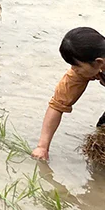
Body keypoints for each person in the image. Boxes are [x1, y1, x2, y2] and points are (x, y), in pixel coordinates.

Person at [32, 27, 105, 161]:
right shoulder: (88, 68)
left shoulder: (94, 64)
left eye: (77, 66)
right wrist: (42, 147)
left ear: (98, 62)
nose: (74, 70)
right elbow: (58, 104)